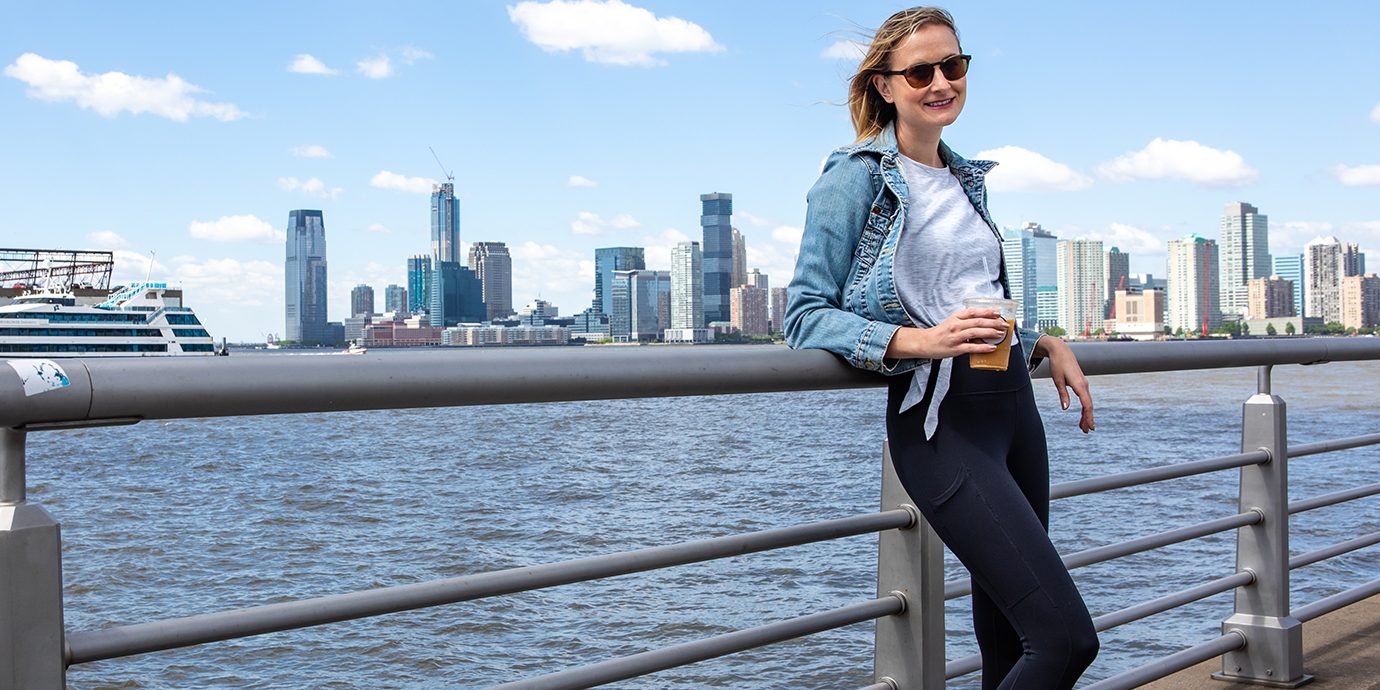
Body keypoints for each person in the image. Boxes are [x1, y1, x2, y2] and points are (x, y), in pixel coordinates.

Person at [784, 7, 1099, 689]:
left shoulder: (966, 178)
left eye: (953, 66)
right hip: (941, 426)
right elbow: (805, 316)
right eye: (920, 71)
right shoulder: (856, 177)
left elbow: (972, 289)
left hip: (1014, 412)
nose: (941, 82)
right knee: (1065, 640)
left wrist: (1040, 339)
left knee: (1012, 645)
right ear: (885, 85)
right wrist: (916, 340)